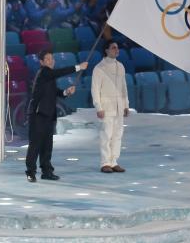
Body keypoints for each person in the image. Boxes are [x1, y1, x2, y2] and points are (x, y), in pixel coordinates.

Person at [25, 49, 88, 182]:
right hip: (38, 115)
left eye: (51, 58)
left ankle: (46, 171)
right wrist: (78, 67)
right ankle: (30, 172)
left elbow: (56, 92)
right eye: (47, 59)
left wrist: (66, 92)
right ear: (41, 62)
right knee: (35, 144)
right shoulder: (44, 72)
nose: (50, 61)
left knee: (47, 144)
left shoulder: (49, 76)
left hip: (48, 114)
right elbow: (59, 72)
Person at [91, 40, 130, 173]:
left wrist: (126, 105)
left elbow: (124, 87)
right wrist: (98, 107)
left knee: (117, 135)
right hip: (106, 108)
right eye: (113, 48)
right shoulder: (99, 68)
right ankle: (105, 162)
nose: (116, 50)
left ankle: (114, 161)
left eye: (117, 47)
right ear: (106, 50)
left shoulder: (121, 66)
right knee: (106, 135)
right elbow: (95, 89)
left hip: (119, 107)